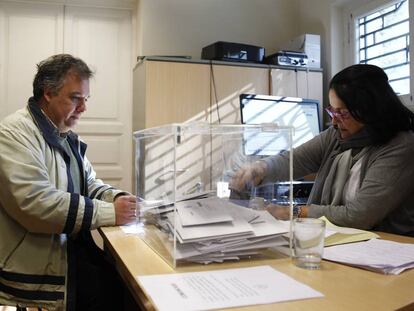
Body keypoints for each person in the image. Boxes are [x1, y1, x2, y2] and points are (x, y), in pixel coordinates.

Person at [0, 54, 138, 310]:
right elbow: (36, 205)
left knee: (129, 291)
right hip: (38, 273)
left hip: (71, 254)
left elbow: (90, 184)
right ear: (48, 93)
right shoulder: (12, 133)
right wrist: (111, 212)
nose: (84, 108)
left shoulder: (64, 135)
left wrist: (119, 199)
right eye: (76, 98)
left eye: (85, 99)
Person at [230, 64, 414, 237]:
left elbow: (360, 215)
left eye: (342, 113)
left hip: (389, 244)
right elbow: (294, 160)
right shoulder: (335, 136)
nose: (334, 121)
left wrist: (292, 211)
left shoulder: (400, 146)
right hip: (341, 239)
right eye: (332, 111)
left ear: (369, 111)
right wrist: (261, 168)